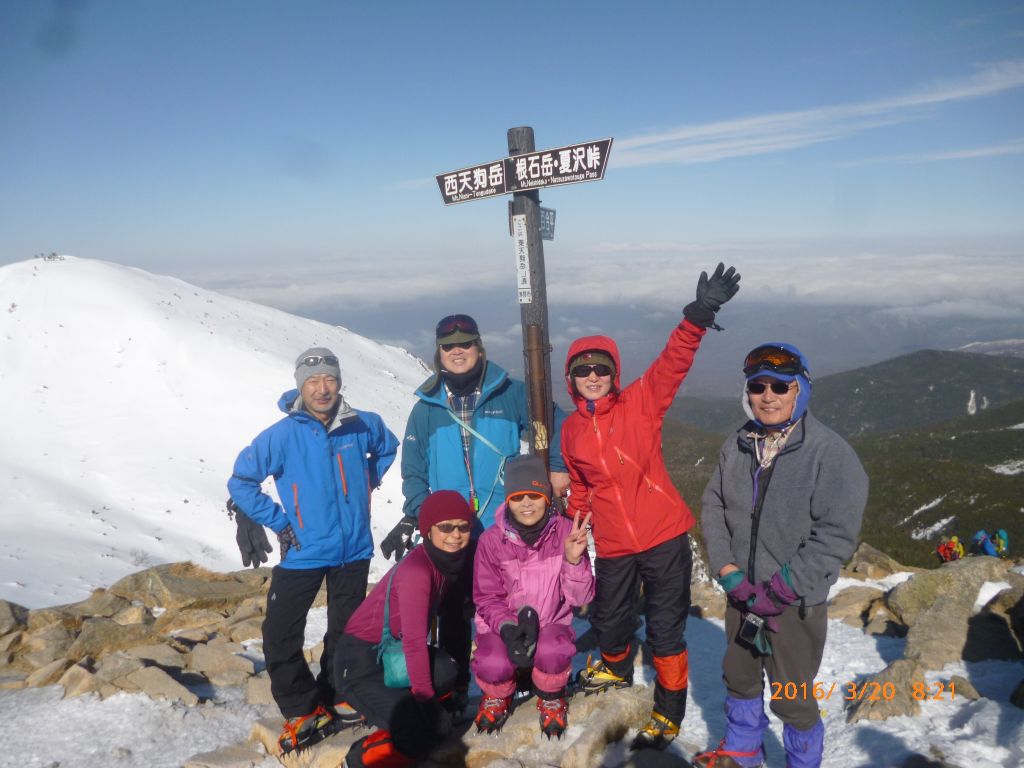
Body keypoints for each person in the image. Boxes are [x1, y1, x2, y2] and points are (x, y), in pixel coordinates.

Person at [562, 263, 741, 751]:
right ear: (571, 380)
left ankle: (668, 711)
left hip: (663, 535)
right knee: (611, 621)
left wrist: (699, 314)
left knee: (665, 630)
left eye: (601, 369)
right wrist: (572, 527)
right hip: (616, 541)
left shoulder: (640, 402)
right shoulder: (572, 430)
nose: (593, 376)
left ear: (613, 374)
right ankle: (616, 667)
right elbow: (581, 485)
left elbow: (673, 361)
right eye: (583, 371)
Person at [695, 343, 868, 768]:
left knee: (793, 695)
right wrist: (727, 569)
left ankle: (802, 763)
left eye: (780, 386)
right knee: (739, 678)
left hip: (793, 604)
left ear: (800, 391)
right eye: (758, 386)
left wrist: (784, 586)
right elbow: (713, 506)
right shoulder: (739, 443)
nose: (767, 395)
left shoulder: (830, 454)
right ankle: (741, 750)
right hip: (742, 594)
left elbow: (835, 535)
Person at [381, 313, 570, 693]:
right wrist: (424, 515)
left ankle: (523, 674)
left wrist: (555, 467)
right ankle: (457, 687)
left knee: (514, 596)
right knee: (453, 610)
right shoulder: (426, 409)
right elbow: (413, 470)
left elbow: (554, 421)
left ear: (479, 348)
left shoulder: (510, 393)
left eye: (465, 343)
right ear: (438, 353)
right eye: (448, 346)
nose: (457, 351)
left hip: (504, 523)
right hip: (452, 532)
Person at [227, 347, 400, 754]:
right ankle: (302, 707)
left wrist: (366, 482)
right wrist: (281, 522)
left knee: (347, 631)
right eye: (313, 381)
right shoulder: (282, 435)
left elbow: (387, 446)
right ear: (299, 386)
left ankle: (339, 694)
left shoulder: (362, 425)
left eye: (329, 380)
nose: (322, 389)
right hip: (304, 549)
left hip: (354, 548)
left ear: (340, 382)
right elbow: (241, 481)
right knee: (280, 634)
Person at [338, 491, 474, 768]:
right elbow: (413, 642)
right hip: (360, 663)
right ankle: (358, 758)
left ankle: (398, 708)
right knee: (423, 734)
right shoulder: (418, 572)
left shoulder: (444, 562)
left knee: (447, 670)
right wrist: (426, 703)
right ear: (427, 530)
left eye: (463, 526)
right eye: (445, 527)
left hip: (390, 655)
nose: (455, 535)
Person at [470, 455, 595, 739]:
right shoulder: (491, 540)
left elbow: (581, 597)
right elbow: (486, 597)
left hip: (550, 623)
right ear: (508, 500)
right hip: (503, 626)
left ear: (547, 496)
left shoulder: (566, 533)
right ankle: (497, 696)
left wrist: (574, 561)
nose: (527, 503)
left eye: (535, 495)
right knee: (492, 662)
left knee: (553, 651)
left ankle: (551, 696)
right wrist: (507, 627)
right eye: (518, 496)